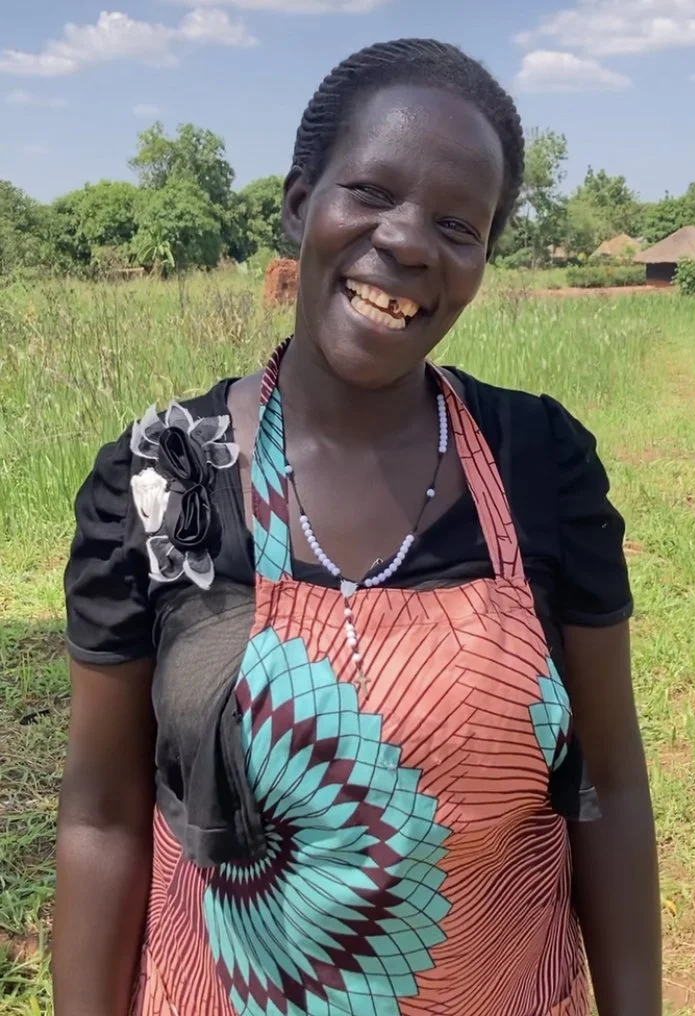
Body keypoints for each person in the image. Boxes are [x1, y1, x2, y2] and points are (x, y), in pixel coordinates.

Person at [54, 38, 661, 1016]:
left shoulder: (538, 463)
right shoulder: (163, 479)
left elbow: (611, 788)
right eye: (372, 191)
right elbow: (101, 813)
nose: (409, 241)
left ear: (483, 259)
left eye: (457, 224)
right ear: (301, 205)